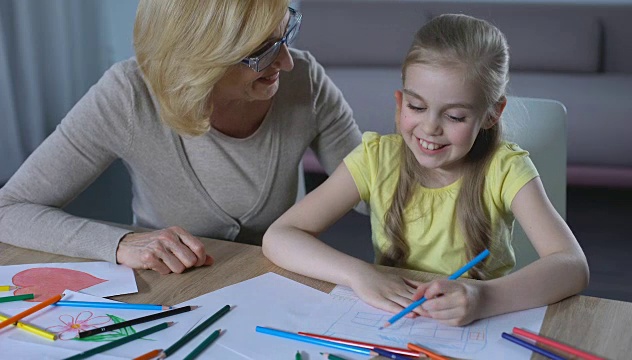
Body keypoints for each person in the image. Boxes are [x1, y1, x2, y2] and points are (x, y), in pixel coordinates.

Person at [262, 13, 589, 326]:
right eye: (417, 107)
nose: (430, 127)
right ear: (400, 101)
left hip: (481, 326)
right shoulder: (376, 159)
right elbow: (280, 236)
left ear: (491, 114)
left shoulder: (505, 168)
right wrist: (358, 273)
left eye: (455, 117)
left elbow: (572, 265)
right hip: (398, 325)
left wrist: (483, 298)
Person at [0, 1, 361, 275]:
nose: (286, 61)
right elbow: (9, 210)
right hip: (172, 287)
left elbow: (373, 189)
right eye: (262, 50)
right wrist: (119, 243)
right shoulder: (128, 95)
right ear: (200, 58)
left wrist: (411, 151)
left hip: (280, 282)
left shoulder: (305, 82)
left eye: (285, 34)